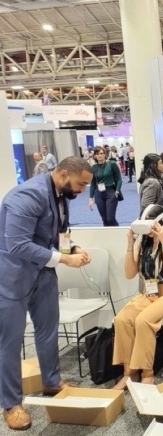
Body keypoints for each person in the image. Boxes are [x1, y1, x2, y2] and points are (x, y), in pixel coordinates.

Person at [0, 157, 92, 431]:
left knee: (48, 331)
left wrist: (71, 249)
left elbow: (56, 235)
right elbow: (16, 245)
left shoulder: (61, 194)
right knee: (10, 342)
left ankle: (51, 381)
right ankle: (11, 403)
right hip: (12, 278)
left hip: (43, 275)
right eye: (80, 184)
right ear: (64, 175)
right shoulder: (28, 195)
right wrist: (63, 260)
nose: (82, 190)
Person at [113, 205, 163, 390]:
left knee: (143, 320)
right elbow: (130, 274)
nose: (149, 231)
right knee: (121, 319)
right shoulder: (143, 242)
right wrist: (131, 245)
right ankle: (129, 373)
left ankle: (147, 373)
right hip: (149, 293)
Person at [88, 146, 122, 226]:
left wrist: (117, 191)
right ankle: (108, 236)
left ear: (105, 154)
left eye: (101, 153)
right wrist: (90, 198)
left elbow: (119, 179)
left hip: (110, 192)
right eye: (97, 154)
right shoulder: (93, 168)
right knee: (104, 219)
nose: (99, 155)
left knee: (110, 218)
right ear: (95, 156)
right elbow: (92, 184)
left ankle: (117, 233)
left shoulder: (112, 164)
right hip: (98, 194)